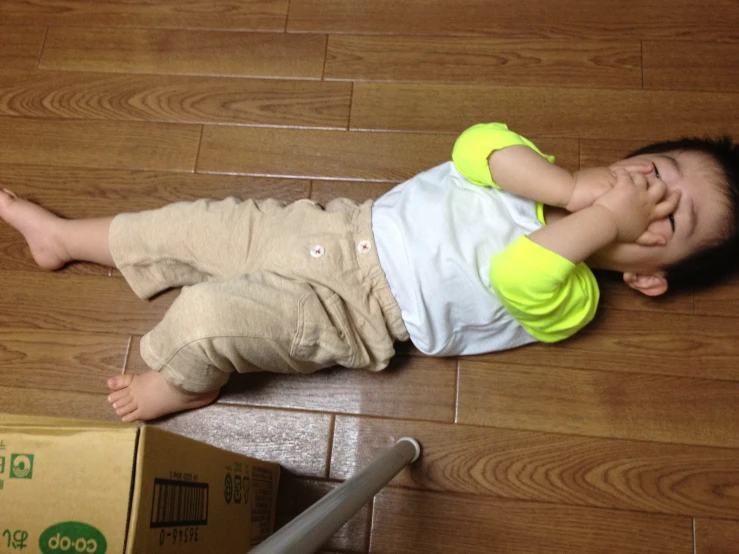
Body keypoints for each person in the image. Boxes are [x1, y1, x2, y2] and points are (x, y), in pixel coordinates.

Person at [1, 123, 737, 423]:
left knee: (208, 319)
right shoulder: (536, 173)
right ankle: (65, 238)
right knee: (188, 224)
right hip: (331, 227)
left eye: (667, 221)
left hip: (353, 312)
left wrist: (601, 219)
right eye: (655, 173)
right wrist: (570, 190)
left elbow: (520, 273)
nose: (647, 199)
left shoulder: (572, 299)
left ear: (649, 278)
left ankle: (185, 381)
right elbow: (476, 144)